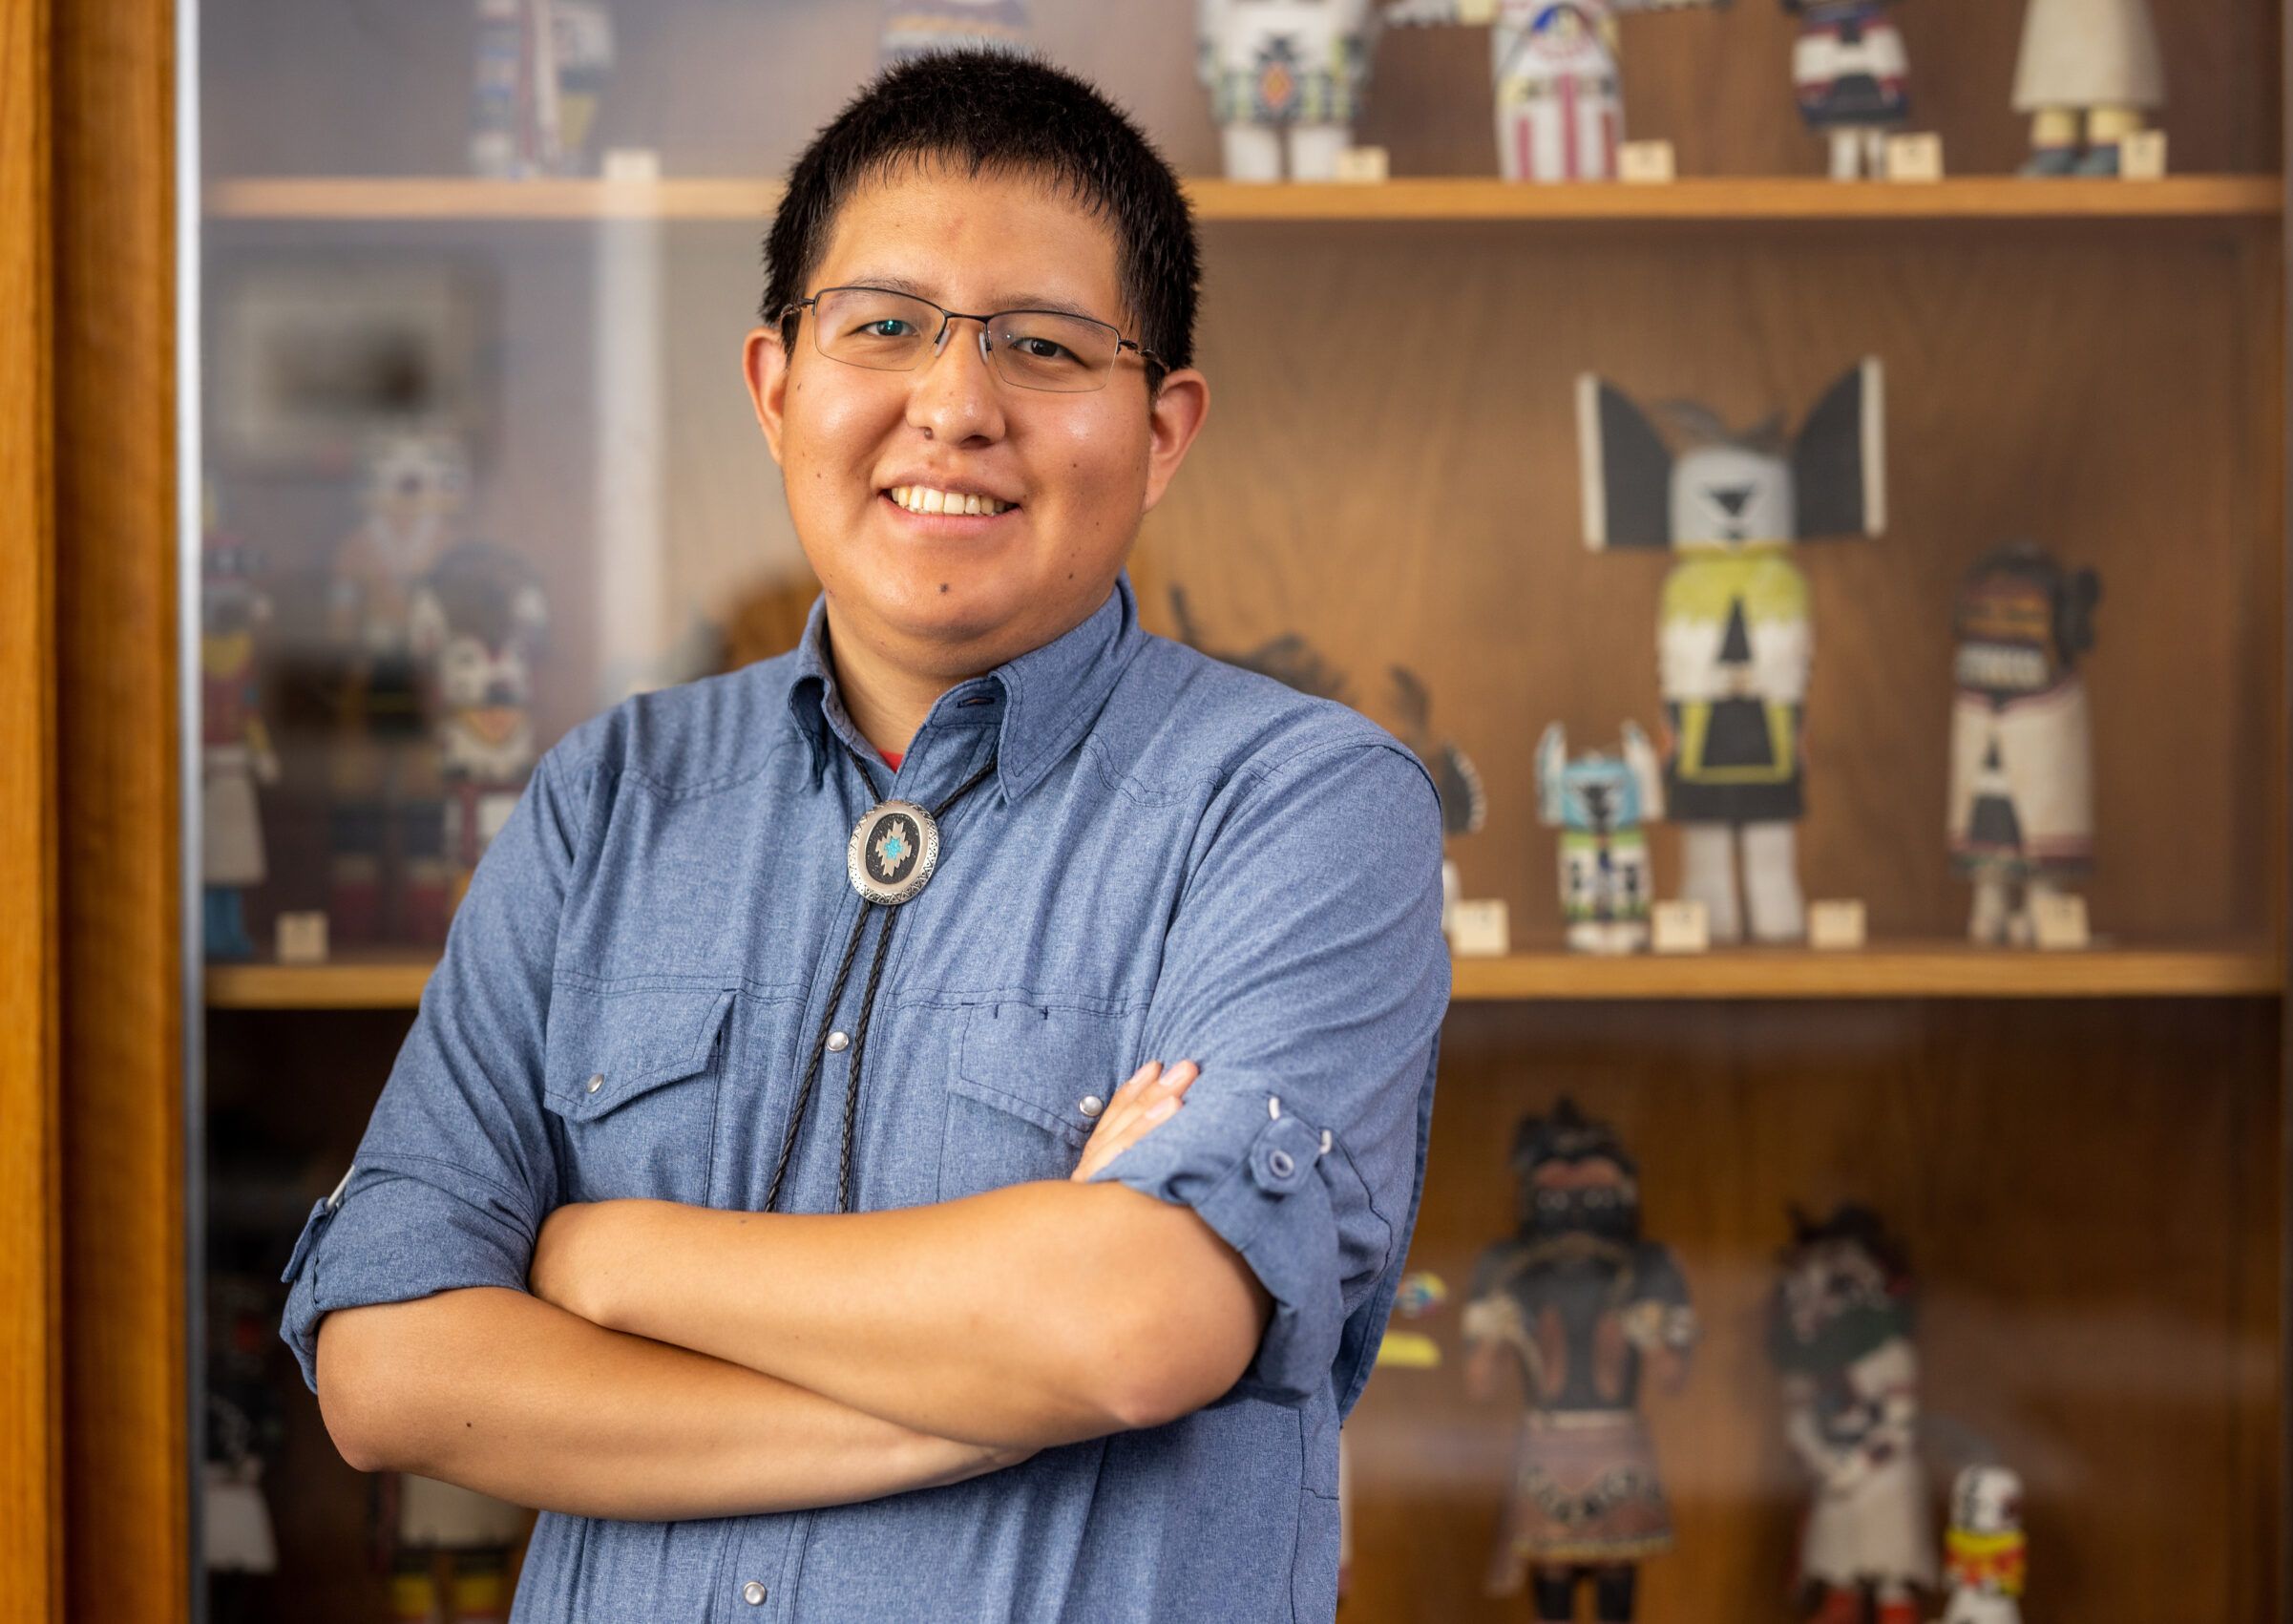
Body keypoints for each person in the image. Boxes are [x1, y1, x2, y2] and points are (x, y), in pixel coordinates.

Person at [278, 48, 1450, 1623]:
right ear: (777, 387)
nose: (954, 406)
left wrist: (609, 1256)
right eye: (884, 327)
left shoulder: (1300, 801)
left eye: (1042, 345)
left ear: (1163, 430)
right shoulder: (608, 801)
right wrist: (991, 1384)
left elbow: (1134, 1326)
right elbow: (391, 1365)